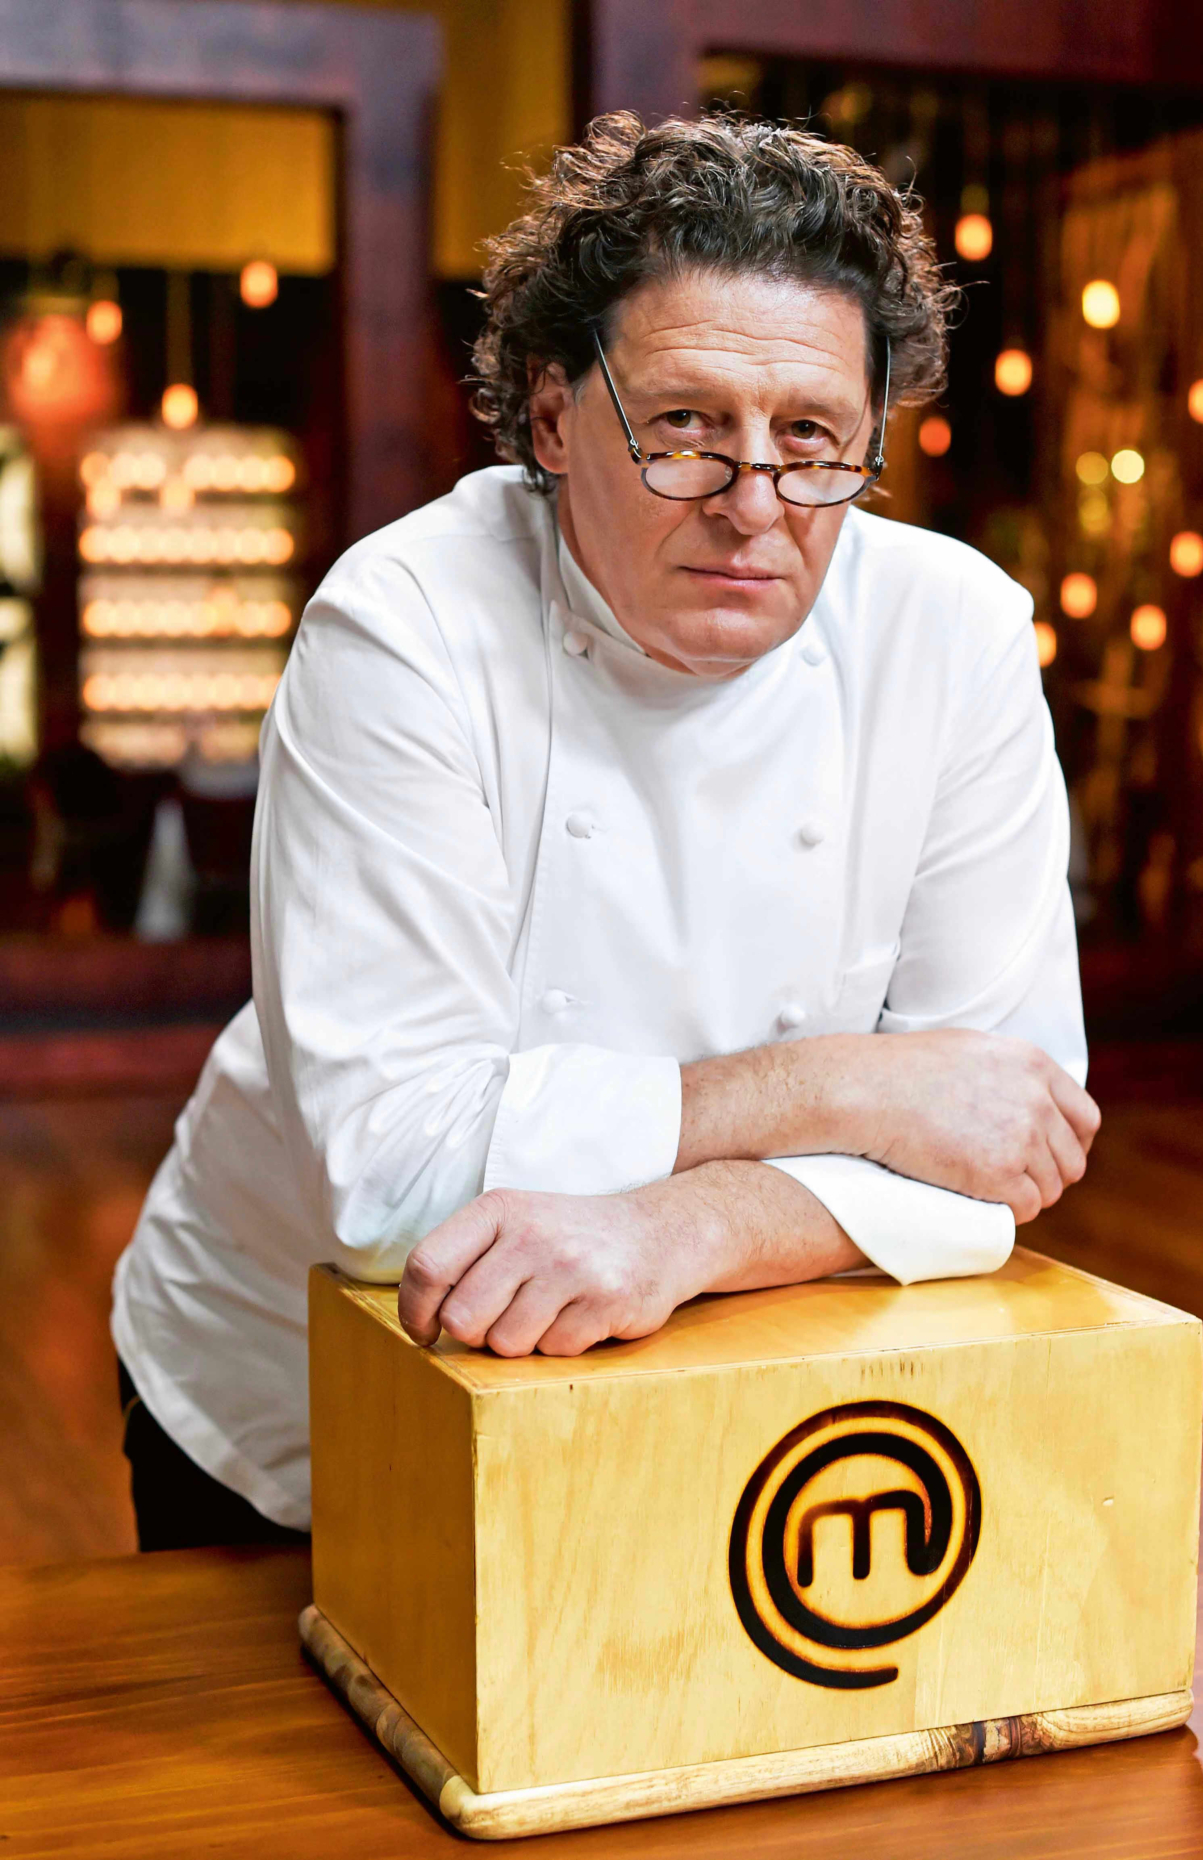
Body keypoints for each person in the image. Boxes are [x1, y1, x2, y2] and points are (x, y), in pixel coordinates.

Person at [112, 113, 1099, 1550]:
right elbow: (395, 1182)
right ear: (553, 418)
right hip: (300, 1395)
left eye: (813, 439)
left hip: (704, 1366)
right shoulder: (405, 630)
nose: (755, 505)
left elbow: (1000, 1137)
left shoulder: (955, 635)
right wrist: (847, 1087)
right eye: (684, 429)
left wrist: (678, 1230)